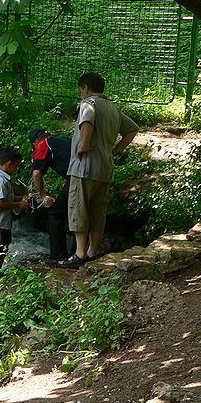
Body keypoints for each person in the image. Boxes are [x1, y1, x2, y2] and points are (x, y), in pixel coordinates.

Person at [57, 73, 139, 268]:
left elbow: (87, 121)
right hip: (104, 168)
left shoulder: (88, 103)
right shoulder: (112, 107)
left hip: (84, 167)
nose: (80, 94)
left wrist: (83, 144)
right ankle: (93, 252)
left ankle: (79, 254)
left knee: (78, 207)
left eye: (80, 90)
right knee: (97, 210)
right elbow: (132, 129)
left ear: (85, 88)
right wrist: (115, 150)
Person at [29, 127, 74, 264]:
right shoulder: (64, 141)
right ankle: (78, 254)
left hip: (77, 179)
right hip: (93, 176)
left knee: (55, 213)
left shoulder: (43, 145)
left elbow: (36, 174)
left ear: (35, 144)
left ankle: (58, 256)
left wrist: (42, 196)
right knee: (79, 213)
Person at [0, 148, 28, 267]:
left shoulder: (1, 178)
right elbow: (0, 203)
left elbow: (7, 198)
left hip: (2, 223)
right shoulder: (0, 181)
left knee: (2, 249)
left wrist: (21, 198)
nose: (16, 169)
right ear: (9, 163)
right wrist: (19, 204)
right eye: (16, 166)